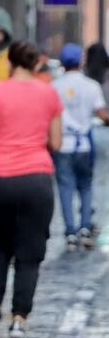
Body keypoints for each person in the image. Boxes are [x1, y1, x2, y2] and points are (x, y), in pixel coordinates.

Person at [0, 40, 62, 338]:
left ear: (9, 62)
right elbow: (56, 142)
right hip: (35, 180)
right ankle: (19, 321)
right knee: (29, 254)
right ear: (37, 63)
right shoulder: (48, 93)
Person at [52, 43, 109, 250]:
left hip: (62, 144)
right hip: (84, 144)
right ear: (80, 61)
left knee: (65, 188)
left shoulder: (54, 86)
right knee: (85, 186)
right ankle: (85, 226)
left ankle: (70, 231)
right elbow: (102, 114)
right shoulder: (90, 86)